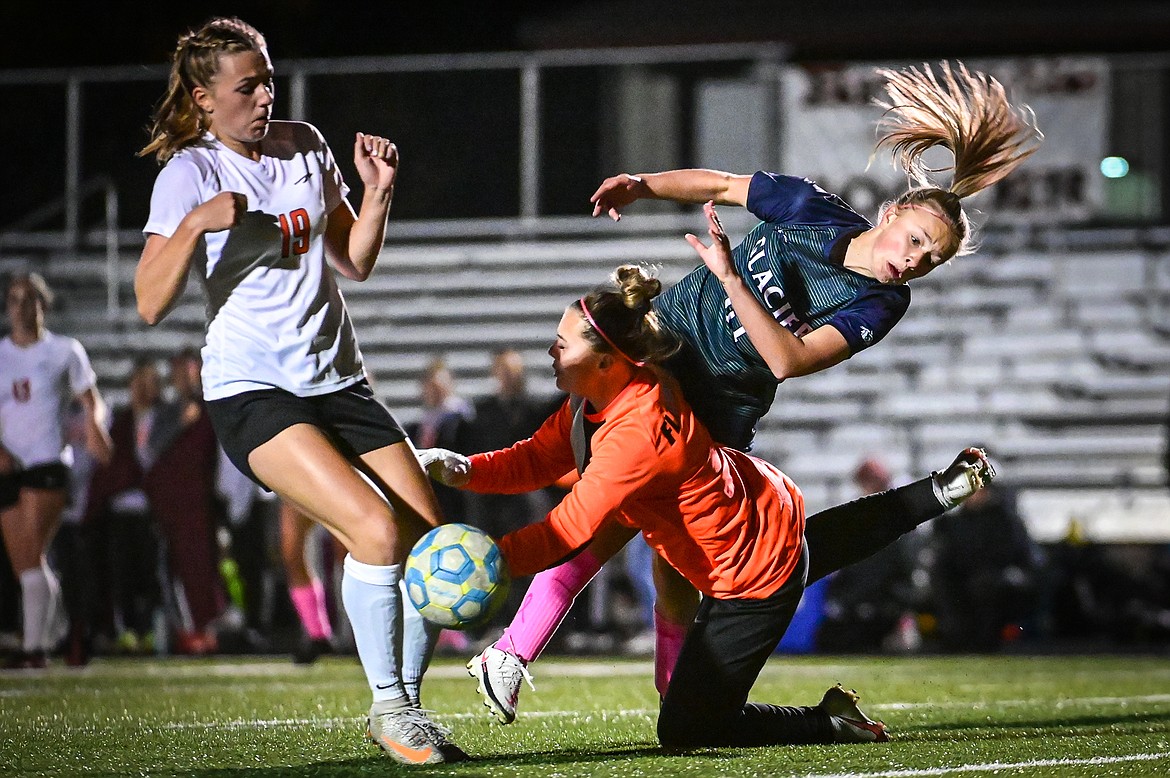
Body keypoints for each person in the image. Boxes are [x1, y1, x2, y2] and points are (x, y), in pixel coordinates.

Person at [462, 60, 1036, 724]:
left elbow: (788, 360)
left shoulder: (881, 302)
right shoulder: (808, 208)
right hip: (657, 361)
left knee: (675, 563)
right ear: (891, 212)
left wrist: (733, 278)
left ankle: (672, 689)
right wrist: (644, 185)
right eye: (914, 241)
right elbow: (721, 184)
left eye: (928, 260)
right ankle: (513, 652)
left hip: (719, 412)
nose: (912, 261)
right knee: (609, 508)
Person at [135, 17, 462, 764]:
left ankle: (404, 706)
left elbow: (352, 260)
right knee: (372, 531)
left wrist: (378, 194)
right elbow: (150, 302)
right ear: (202, 97)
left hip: (338, 378)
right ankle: (391, 710)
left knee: (428, 538)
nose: (262, 98)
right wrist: (194, 226)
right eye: (245, 86)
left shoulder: (305, 143)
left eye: (268, 82)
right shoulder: (190, 172)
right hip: (253, 390)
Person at [424, 267, 905, 748]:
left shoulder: (636, 431)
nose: (550, 351)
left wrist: (490, 564)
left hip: (750, 566)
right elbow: (538, 456)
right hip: (720, 531)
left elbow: (565, 532)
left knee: (687, 717)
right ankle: (525, 656)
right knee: (668, 611)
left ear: (608, 360)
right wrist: (466, 469)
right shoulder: (606, 396)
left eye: (562, 343)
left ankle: (825, 721)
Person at [0, 272, 113, 668]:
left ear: (43, 306)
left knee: (32, 556)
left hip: (48, 461)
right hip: (8, 465)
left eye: (30, 299)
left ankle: (34, 650)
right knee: (27, 567)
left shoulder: (65, 350)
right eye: (15, 299)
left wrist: (94, 426)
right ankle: (58, 631)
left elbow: (90, 398)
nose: (22, 307)